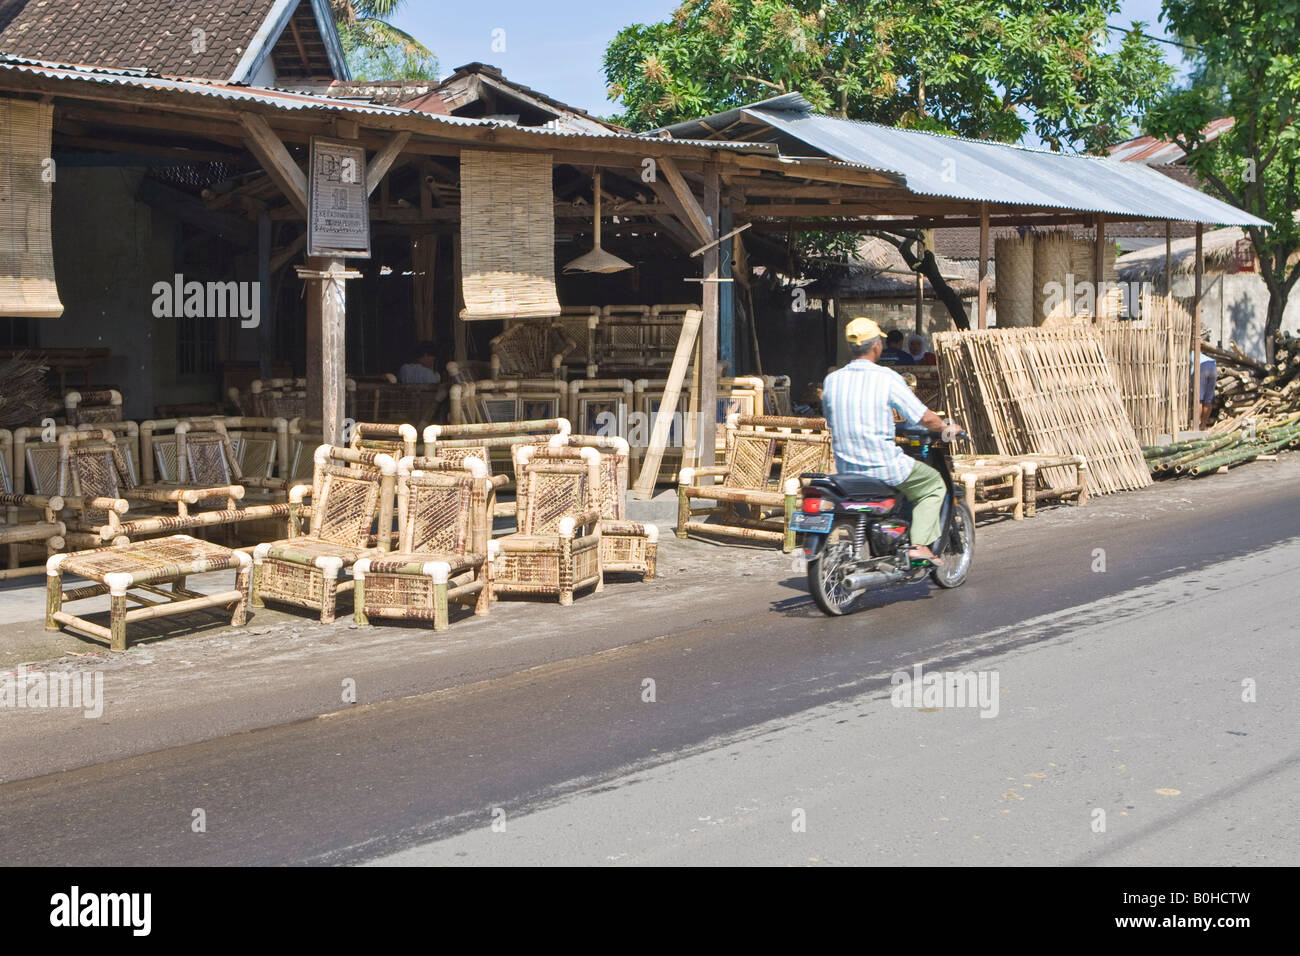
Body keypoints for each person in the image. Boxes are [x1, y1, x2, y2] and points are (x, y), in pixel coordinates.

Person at [821, 317, 961, 565]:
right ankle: (918, 546)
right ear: (876, 346)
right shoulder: (886, 378)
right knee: (934, 484)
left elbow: (833, 419)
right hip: (883, 467)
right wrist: (945, 428)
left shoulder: (832, 380)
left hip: (847, 470)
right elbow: (923, 417)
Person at [1198, 352, 1217, 429]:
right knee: (1208, 399)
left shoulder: (1188, 354)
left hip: (1201, 366)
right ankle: (1203, 424)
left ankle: (1196, 425)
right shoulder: (1204, 355)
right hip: (1213, 366)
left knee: (1199, 398)